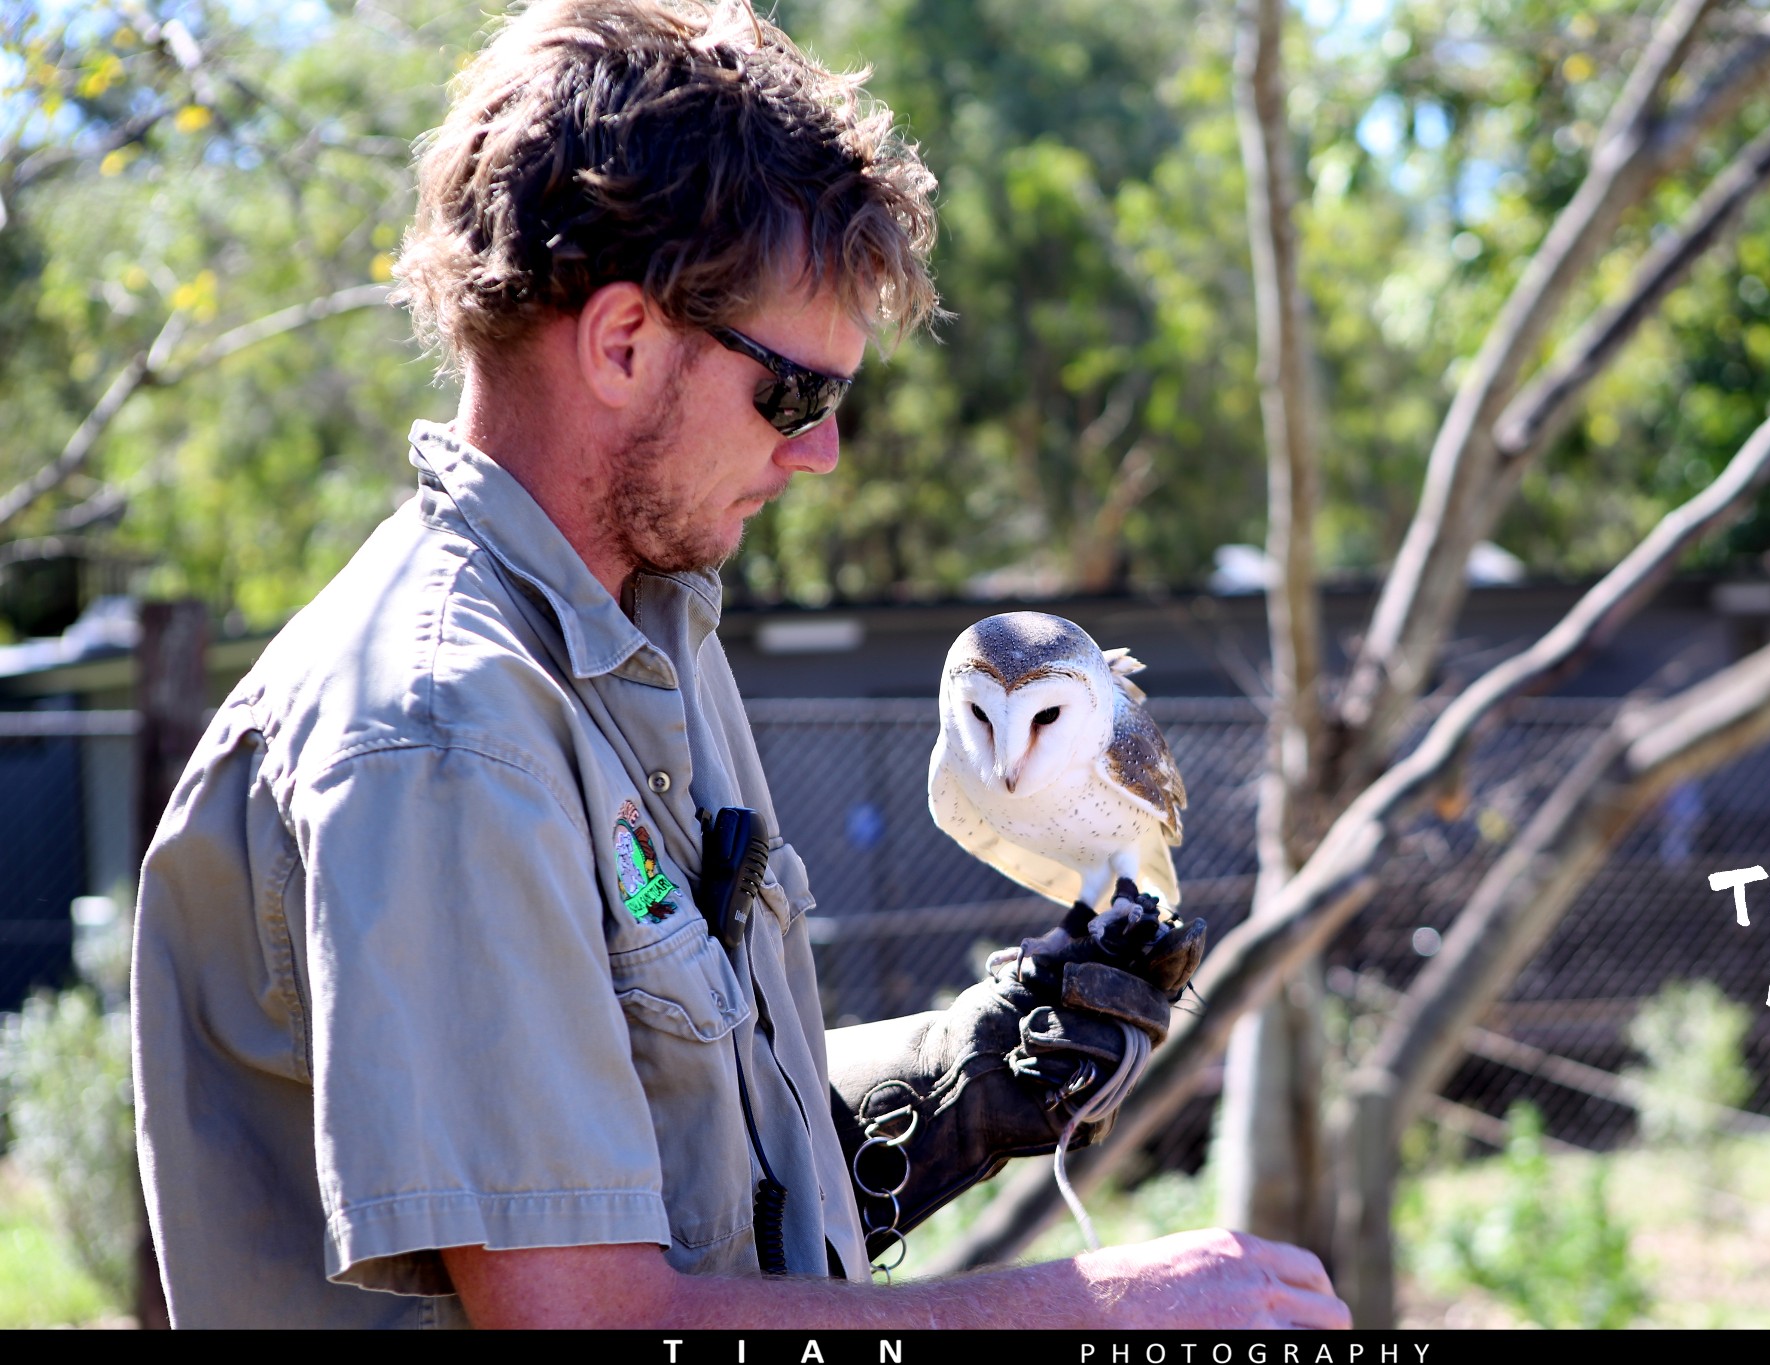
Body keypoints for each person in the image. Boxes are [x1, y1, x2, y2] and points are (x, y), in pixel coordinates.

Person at [130, 0, 1350, 1330]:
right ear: (620, 342)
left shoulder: (641, 632)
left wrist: (964, 1077)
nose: (820, 452)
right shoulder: (447, 729)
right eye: (798, 393)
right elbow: (588, 1320)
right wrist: (1085, 1311)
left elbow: (668, 1180)